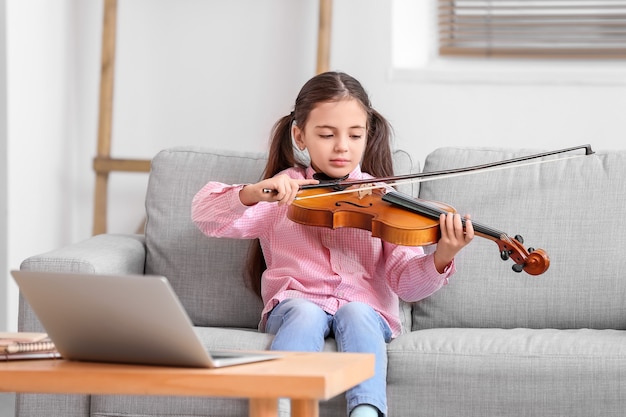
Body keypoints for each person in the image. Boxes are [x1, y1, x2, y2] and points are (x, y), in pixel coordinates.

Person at [191, 71, 474, 417]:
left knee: (358, 312)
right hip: (295, 301)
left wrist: (442, 256)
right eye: (327, 134)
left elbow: (406, 284)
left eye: (355, 135)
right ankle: (277, 407)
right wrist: (250, 193)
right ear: (300, 136)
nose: (342, 146)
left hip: (366, 308)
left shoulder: (382, 197)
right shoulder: (284, 191)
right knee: (305, 313)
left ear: (367, 136)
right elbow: (206, 216)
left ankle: (367, 411)